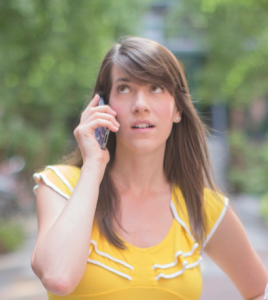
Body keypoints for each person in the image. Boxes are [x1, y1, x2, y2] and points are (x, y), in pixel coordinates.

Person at [31, 36, 267, 300]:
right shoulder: (60, 185)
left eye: (155, 88)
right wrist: (93, 166)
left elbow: (259, 290)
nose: (140, 104)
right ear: (103, 106)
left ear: (177, 108)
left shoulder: (201, 205)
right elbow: (58, 278)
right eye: (124, 88)